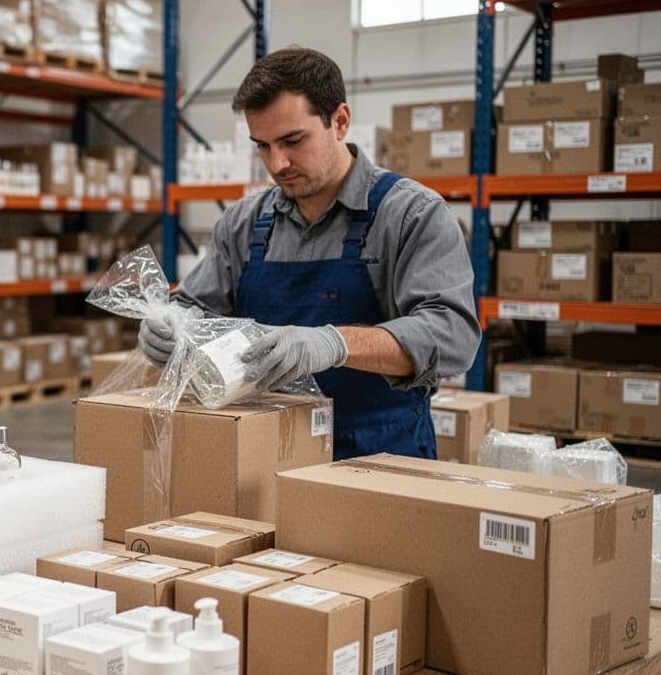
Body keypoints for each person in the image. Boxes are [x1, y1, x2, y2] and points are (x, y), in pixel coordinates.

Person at [140, 48, 478, 460]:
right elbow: (195, 306)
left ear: (340, 121)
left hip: (379, 457)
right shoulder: (244, 223)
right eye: (262, 146)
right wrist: (171, 325)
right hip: (263, 454)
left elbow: (453, 335)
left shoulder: (412, 214)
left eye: (292, 141)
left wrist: (334, 343)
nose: (277, 163)